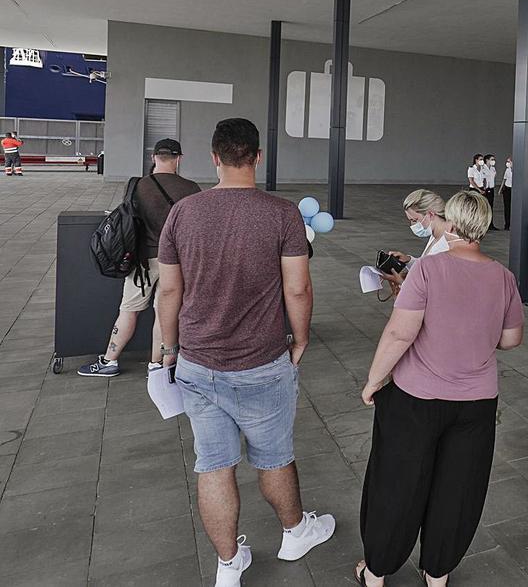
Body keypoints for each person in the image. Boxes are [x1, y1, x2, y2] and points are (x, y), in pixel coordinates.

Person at [156, 118, 335, 586]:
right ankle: (295, 531)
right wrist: (301, 338)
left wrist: (168, 350)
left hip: (197, 362)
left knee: (214, 466)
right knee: (274, 457)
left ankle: (228, 565)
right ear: (257, 157)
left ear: (214, 158)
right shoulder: (282, 213)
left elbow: (169, 292)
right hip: (262, 364)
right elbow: (297, 290)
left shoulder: (184, 213)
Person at [355, 191, 524, 587]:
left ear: (450, 223)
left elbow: (399, 334)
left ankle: (377, 572)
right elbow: (512, 339)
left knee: (397, 484)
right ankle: (437, 574)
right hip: (477, 404)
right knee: (458, 490)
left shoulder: (427, 272)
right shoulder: (503, 276)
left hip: (415, 399)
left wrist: (374, 381)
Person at [78, 138, 202, 377]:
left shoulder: (137, 186)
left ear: (154, 157)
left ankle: (109, 361)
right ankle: (157, 365)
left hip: (143, 263)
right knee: (163, 312)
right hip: (176, 263)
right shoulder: (191, 188)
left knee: (128, 310)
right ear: (179, 159)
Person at [381, 190, 457, 297]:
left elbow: (433, 289)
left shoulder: (447, 245)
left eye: (415, 220)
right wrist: (408, 260)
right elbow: (427, 268)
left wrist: (402, 283)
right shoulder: (435, 235)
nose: (412, 225)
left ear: (430, 214)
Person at [482, 154, 501, 230]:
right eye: (492, 159)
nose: (493, 161)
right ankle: (484, 224)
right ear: (487, 160)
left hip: (491, 189)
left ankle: (491, 224)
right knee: (484, 207)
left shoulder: (493, 168)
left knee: (490, 207)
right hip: (486, 189)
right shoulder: (483, 168)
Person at [502, 156, 513, 230]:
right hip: (507, 189)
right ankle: (507, 225)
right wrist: (501, 189)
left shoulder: (518, 170)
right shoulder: (507, 170)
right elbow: (504, 179)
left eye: (509, 161)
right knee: (507, 207)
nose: (507, 163)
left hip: (514, 190)